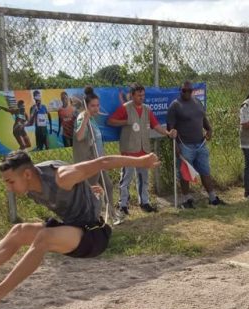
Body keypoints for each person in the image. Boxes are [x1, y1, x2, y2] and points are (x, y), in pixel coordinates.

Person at [0, 151, 160, 309]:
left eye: (10, 182)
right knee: (18, 231)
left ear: (27, 174)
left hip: (93, 235)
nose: (8, 188)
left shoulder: (61, 177)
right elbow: (78, 189)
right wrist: (87, 192)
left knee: (43, 238)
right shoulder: (31, 179)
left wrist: (140, 162)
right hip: (71, 229)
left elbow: (102, 163)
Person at [107, 83, 177, 215]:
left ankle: (144, 202)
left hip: (143, 150)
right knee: (126, 178)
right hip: (129, 150)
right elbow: (110, 121)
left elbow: (156, 125)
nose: (142, 97)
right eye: (139, 95)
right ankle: (123, 205)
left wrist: (167, 133)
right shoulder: (125, 108)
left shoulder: (147, 109)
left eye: (143, 95)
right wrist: (125, 122)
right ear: (132, 95)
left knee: (144, 178)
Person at [167, 81, 226, 208]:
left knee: (205, 171)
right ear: (180, 90)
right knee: (185, 174)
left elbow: (203, 118)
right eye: (184, 90)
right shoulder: (175, 105)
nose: (187, 93)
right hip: (184, 145)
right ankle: (186, 199)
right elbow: (170, 128)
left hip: (200, 144)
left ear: (192, 91)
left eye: (189, 90)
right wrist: (175, 145)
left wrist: (209, 129)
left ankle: (212, 198)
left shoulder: (198, 102)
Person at [73, 86, 116, 221]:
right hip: (88, 163)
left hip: (98, 161)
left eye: (98, 105)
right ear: (86, 106)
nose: (96, 108)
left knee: (108, 186)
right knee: (90, 191)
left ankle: (112, 215)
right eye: (93, 106)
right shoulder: (83, 118)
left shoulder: (92, 119)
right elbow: (79, 136)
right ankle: (90, 218)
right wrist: (85, 119)